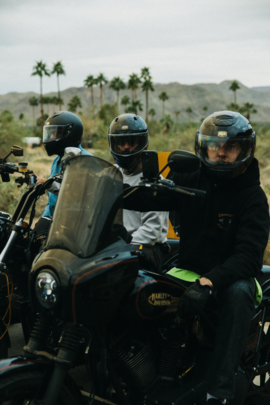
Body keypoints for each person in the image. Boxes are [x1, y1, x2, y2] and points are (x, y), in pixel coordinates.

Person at [123, 111, 270, 404]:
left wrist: (209, 281)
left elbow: (249, 257)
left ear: (244, 150)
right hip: (187, 269)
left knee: (239, 293)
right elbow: (151, 198)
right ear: (203, 148)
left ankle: (220, 390)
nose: (221, 154)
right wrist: (114, 191)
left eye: (230, 148)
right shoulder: (190, 176)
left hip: (230, 276)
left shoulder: (253, 197)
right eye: (214, 147)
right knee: (141, 288)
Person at [108, 113, 170, 273]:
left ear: (143, 143)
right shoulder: (110, 174)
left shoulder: (154, 179)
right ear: (114, 144)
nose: (126, 146)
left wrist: (123, 247)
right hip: (116, 243)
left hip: (148, 246)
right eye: (122, 142)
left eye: (132, 142)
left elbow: (152, 230)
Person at [34, 111, 92, 235]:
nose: (50, 138)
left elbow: (77, 193)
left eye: (56, 133)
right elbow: (52, 202)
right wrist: (44, 219)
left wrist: (46, 182)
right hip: (55, 220)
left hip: (77, 225)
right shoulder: (57, 160)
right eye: (49, 133)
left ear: (71, 133)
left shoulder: (86, 160)